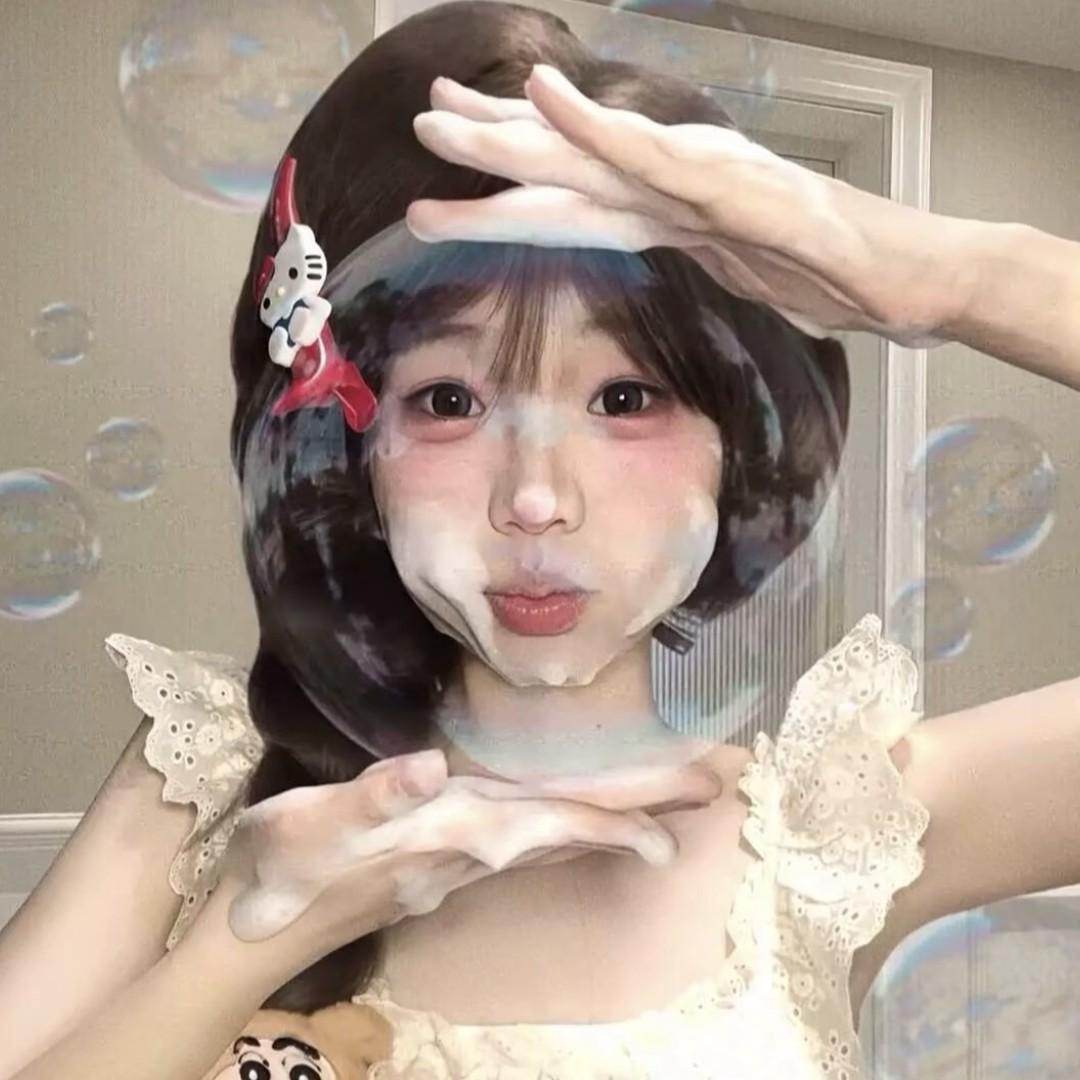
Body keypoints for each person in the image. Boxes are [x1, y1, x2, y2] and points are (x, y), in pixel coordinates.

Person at [2, 2, 1080, 1077]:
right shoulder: (204, 779)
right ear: (348, 452)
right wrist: (249, 938)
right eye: (448, 401)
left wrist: (952, 276)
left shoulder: (833, 834)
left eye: (624, 396)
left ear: (737, 446)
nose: (536, 499)